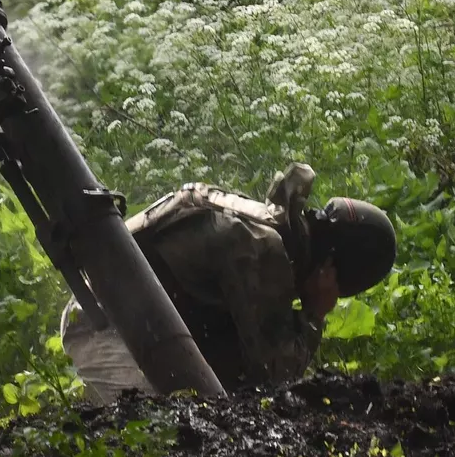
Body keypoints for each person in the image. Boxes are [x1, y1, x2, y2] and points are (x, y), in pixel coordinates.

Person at [60, 163, 397, 402]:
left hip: (132, 325)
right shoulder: (263, 249)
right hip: (104, 328)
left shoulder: (267, 229)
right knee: (157, 438)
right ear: (331, 272)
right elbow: (275, 376)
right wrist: (313, 316)